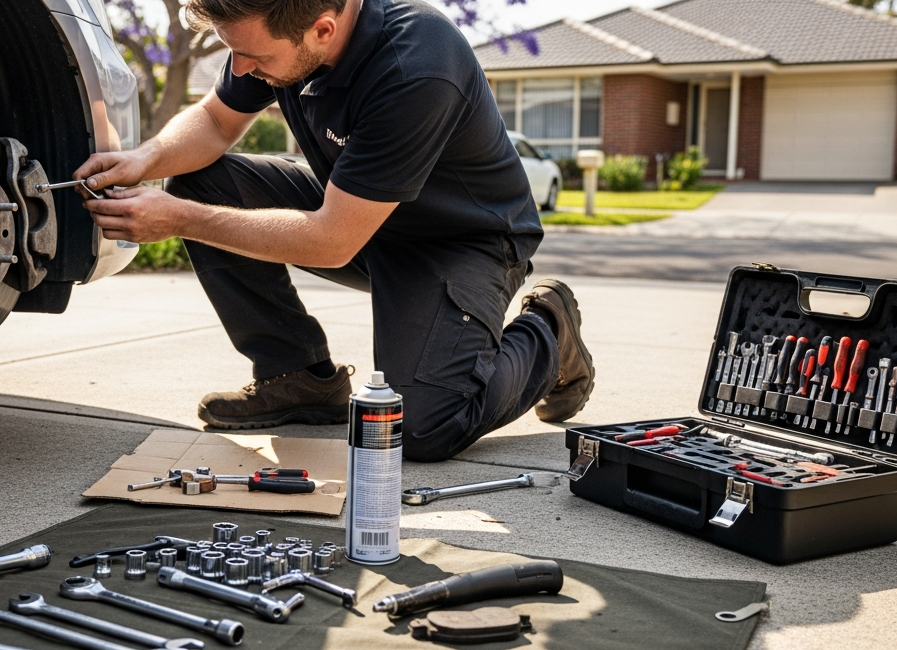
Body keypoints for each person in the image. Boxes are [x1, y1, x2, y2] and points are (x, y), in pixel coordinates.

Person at [71, 0, 594, 462]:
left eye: (254, 57)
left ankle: (550, 329)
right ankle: (297, 376)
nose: (241, 67)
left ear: (323, 29)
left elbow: (332, 240)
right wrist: (144, 158)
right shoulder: (274, 28)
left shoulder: (416, 65)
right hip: (355, 214)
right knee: (199, 182)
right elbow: (213, 121)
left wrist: (180, 218)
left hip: (461, 241)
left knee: (422, 427)